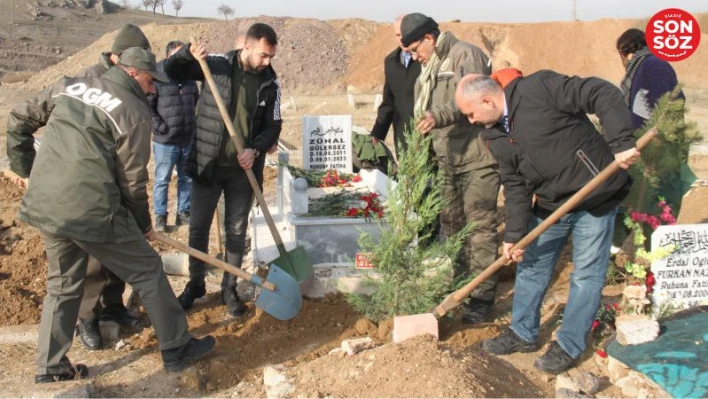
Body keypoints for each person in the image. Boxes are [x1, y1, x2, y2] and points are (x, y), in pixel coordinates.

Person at [6, 47, 215, 382]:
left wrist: (29, 172)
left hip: (48, 206)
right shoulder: (133, 111)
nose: (152, 89)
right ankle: (177, 348)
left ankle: (50, 366)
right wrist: (143, 225)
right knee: (148, 270)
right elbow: (133, 180)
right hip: (92, 211)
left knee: (62, 284)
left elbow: (18, 120)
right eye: (149, 82)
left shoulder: (69, 85)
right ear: (132, 74)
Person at [455, 72, 640, 374]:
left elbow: (601, 91)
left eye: (471, 113)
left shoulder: (539, 89)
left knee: (586, 277)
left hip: (595, 196)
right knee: (531, 267)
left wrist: (621, 141)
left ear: (487, 100)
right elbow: (514, 184)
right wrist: (513, 235)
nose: (471, 120)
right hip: (551, 205)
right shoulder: (492, 134)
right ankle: (522, 333)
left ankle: (569, 345)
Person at [164, 23, 282, 316]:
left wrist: (255, 149)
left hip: (243, 171)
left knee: (236, 231)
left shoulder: (271, 82)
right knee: (199, 227)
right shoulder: (215, 66)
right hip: (209, 164)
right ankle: (195, 284)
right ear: (249, 47)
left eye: (271, 57)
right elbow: (172, 71)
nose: (267, 62)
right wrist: (187, 56)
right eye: (264, 56)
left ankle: (229, 287)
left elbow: (274, 125)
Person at [401, 13, 500, 324]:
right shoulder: (427, 69)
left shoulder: (464, 54)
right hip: (447, 161)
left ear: (430, 38)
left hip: (476, 159)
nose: (414, 56)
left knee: (479, 229)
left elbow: (471, 99)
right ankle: (458, 287)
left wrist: (436, 115)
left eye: (416, 48)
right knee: (452, 228)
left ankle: (481, 297)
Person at [149, 40, 199, 232]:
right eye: (180, 56)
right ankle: (160, 217)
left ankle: (183, 213)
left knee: (187, 178)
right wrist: (161, 128)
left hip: (187, 138)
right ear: (169, 56)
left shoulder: (189, 76)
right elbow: (148, 107)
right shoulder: (157, 76)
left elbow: (196, 102)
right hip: (166, 141)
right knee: (162, 179)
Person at [370, 14, 421, 154]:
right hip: (403, 136)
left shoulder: (428, 61)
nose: (402, 39)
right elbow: (388, 101)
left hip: (427, 135)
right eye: (398, 35)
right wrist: (377, 133)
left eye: (405, 34)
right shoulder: (390, 62)